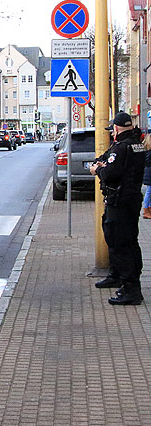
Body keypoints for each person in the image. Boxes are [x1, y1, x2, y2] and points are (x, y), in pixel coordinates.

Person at [89, 111, 146, 305]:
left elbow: (110, 172)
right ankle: (118, 276)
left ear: (116, 128)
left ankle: (131, 289)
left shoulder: (121, 147)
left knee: (120, 242)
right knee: (128, 240)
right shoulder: (137, 144)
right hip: (130, 199)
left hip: (119, 200)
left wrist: (98, 169)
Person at [143, 133, 151, 219]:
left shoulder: (146, 150)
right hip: (149, 174)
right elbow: (148, 162)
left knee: (149, 192)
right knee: (149, 192)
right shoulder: (149, 152)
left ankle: (148, 210)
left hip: (148, 173)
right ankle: (146, 211)